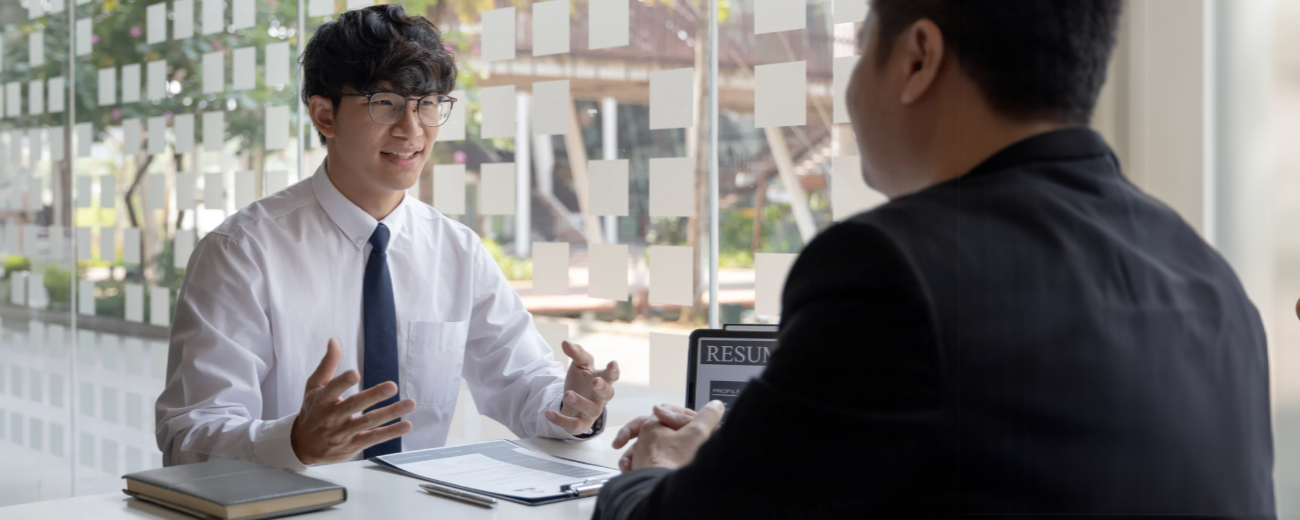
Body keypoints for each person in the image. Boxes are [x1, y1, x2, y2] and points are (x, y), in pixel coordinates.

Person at [594, 0, 1276, 518]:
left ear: (918, 57)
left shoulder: (892, 268)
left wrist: (655, 471)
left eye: (862, 52)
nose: (850, 91)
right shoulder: (1214, 285)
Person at [156, 5, 619, 470]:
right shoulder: (242, 253)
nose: (412, 129)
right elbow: (189, 433)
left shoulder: (457, 251)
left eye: (428, 104)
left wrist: (571, 406)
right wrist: (295, 443)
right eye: (386, 103)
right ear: (324, 115)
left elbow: (522, 380)